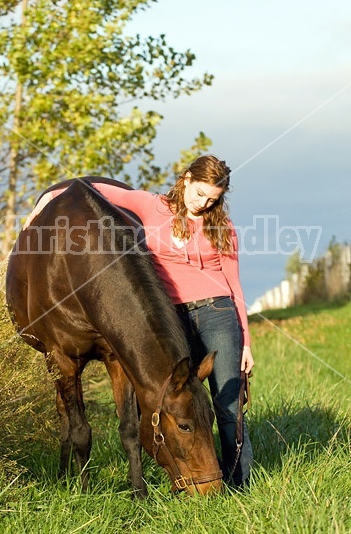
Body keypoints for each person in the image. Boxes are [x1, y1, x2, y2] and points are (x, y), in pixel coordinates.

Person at [23, 155, 254, 487]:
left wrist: (246, 341)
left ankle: (237, 482)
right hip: (171, 317)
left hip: (217, 313)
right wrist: (44, 202)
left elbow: (235, 285)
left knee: (227, 404)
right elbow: (88, 187)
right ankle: (190, 472)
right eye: (200, 194)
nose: (203, 204)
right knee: (181, 400)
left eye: (212, 200)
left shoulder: (222, 228)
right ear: (186, 179)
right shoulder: (150, 206)